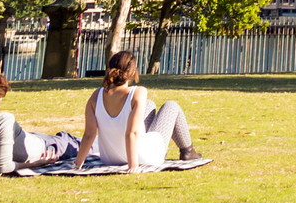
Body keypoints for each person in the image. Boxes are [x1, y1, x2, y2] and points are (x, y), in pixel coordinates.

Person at [72, 49, 202, 173]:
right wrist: (133, 166)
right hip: (144, 157)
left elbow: (89, 134)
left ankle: (185, 150)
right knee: (171, 106)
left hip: (109, 158)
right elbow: (131, 133)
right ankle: (188, 151)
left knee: (149, 104)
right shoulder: (138, 92)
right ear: (133, 72)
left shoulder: (96, 96)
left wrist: (78, 164)